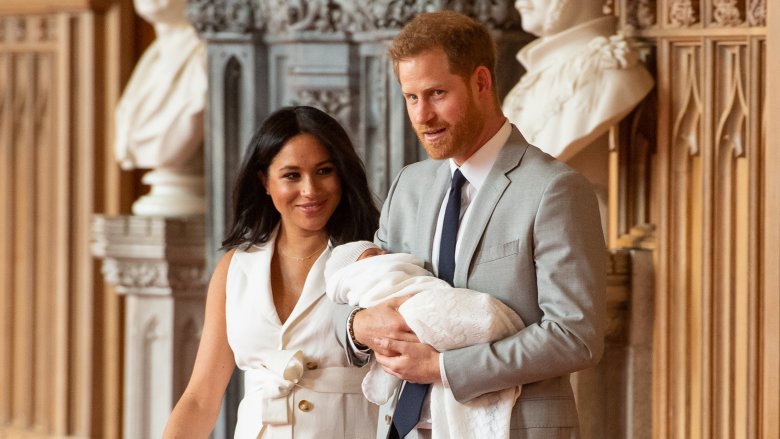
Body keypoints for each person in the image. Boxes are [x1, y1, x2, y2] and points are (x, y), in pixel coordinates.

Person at [334, 11, 606, 439]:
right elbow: (359, 290)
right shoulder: (409, 185)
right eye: (411, 98)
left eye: (437, 93)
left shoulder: (555, 189)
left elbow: (575, 335)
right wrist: (359, 325)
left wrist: (442, 367)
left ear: (481, 82)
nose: (422, 115)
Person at [163, 106, 381, 439]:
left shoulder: (369, 260)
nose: (310, 190)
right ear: (265, 181)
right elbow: (200, 398)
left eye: (324, 171)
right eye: (292, 175)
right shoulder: (235, 268)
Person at [324, 241, 525, 439]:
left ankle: (488, 322)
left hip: (501, 372)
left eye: (380, 251)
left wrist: (440, 367)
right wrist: (358, 322)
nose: (384, 255)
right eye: (373, 256)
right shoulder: (396, 212)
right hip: (407, 413)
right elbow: (338, 306)